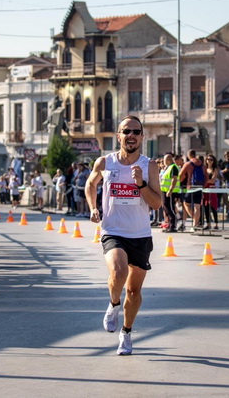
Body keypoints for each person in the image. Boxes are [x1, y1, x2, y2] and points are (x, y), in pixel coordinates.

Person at [85, 115, 162, 355]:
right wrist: (93, 207)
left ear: (142, 137)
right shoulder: (105, 162)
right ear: (118, 135)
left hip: (140, 235)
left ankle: (126, 333)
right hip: (113, 230)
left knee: (134, 291)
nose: (131, 135)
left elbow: (158, 203)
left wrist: (140, 184)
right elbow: (90, 184)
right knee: (118, 273)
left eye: (136, 132)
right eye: (126, 131)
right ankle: (113, 304)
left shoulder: (149, 166)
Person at [179, 149, 207, 231]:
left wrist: (183, 180)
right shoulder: (202, 165)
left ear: (188, 156)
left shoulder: (188, 164)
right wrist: (203, 186)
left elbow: (180, 176)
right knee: (197, 207)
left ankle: (195, 219)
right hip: (200, 187)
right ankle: (195, 225)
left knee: (186, 204)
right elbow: (206, 177)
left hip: (191, 187)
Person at [159, 154, 180, 232]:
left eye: (164, 160)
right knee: (166, 208)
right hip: (164, 191)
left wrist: (170, 190)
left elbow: (174, 179)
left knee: (170, 208)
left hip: (170, 192)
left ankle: (173, 226)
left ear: (167, 160)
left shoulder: (173, 167)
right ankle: (169, 224)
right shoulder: (167, 168)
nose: (163, 162)